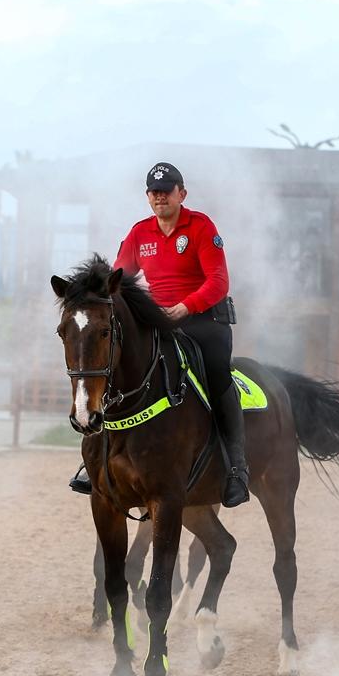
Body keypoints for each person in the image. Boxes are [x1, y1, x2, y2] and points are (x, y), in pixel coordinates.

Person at [69, 161, 249, 507]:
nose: (160, 197)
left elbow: (219, 281)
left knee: (217, 376)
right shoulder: (140, 233)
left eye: (167, 191)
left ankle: (236, 468)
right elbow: (117, 281)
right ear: (148, 196)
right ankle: (95, 461)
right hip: (158, 321)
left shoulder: (201, 226)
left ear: (182, 194)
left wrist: (184, 307)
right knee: (117, 368)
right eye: (154, 192)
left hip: (203, 320)